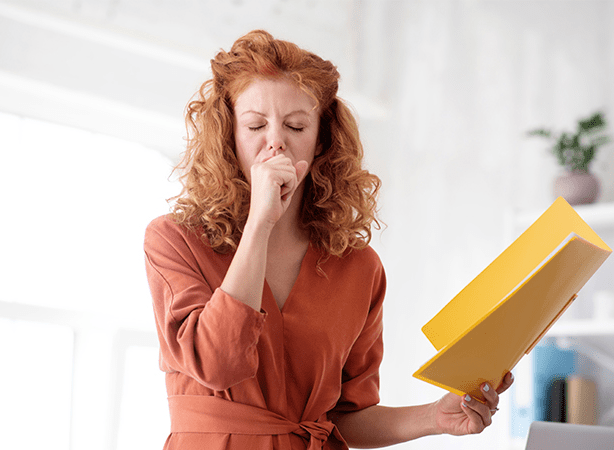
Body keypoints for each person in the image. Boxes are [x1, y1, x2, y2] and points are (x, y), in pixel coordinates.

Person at [144, 29, 513, 450]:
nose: (275, 141)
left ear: (320, 141)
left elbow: (346, 418)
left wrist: (433, 417)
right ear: (230, 136)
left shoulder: (359, 267)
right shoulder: (175, 241)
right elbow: (218, 363)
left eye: (296, 125)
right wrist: (260, 225)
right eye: (255, 125)